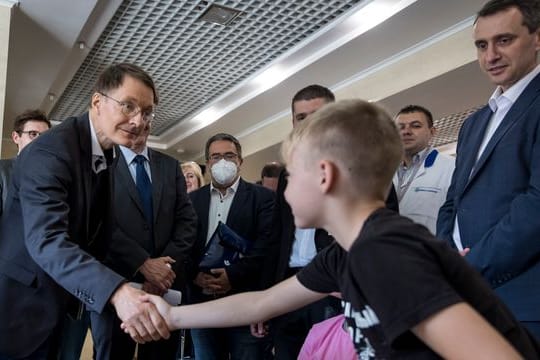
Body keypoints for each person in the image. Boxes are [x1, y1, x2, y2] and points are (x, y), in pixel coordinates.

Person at [132, 99, 539, 359]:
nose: (285, 193)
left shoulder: (387, 252)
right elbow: (260, 304)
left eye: (295, 174)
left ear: (324, 175)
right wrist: (171, 313)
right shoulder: (348, 251)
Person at [0, 63, 169, 360]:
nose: (138, 121)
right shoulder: (51, 151)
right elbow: (48, 240)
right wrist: (116, 292)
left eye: (146, 113)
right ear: (97, 102)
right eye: (128, 106)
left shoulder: (107, 152)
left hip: (63, 300)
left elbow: (98, 229)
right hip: (23, 304)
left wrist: (141, 264)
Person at [437, 0, 540, 338]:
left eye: (504, 40)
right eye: (482, 45)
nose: (490, 55)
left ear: (537, 38)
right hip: (469, 298)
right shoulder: (474, 123)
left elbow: (535, 206)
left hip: (524, 300)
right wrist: (446, 262)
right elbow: (453, 202)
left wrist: (470, 266)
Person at [105, 122, 198, 359]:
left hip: (166, 286)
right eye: (130, 112)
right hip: (117, 285)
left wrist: (163, 271)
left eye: (146, 114)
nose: (138, 122)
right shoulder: (102, 163)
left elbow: (186, 222)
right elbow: (99, 224)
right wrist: (144, 264)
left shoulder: (170, 166)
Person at [187, 133, 275, 360]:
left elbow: (265, 248)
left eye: (229, 155)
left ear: (240, 161)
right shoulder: (191, 201)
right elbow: (182, 245)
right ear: (207, 163)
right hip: (201, 303)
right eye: (216, 157)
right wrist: (194, 275)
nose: (222, 162)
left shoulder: (263, 198)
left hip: (244, 303)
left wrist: (232, 276)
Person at [392, 105, 454, 234]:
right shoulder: (383, 172)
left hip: (431, 250)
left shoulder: (452, 167)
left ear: (432, 132)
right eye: (400, 127)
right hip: (389, 248)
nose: (406, 131)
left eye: (416, 126)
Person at [0, 109, 51, 216]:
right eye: (33, 134)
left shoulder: (54, 176)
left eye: (45, 136)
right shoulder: (2, 170)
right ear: (16, 137)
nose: (40, 141)